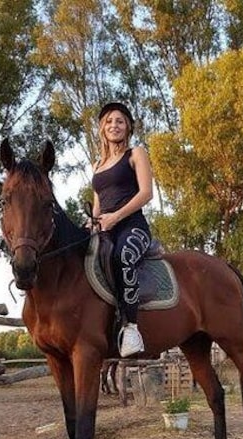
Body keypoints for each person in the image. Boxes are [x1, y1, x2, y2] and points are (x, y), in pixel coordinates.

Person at [91, 101, 153, 357]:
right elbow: (97, 205)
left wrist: (115, 217)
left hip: (133, 228)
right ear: (102, 129)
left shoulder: (136, 153)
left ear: (128, 127)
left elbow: (146, 193)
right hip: (105, 228)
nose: (114, 125)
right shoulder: (97, 166)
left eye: (119, 121)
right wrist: (92, 222)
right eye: (109, 122)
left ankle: (131, 329)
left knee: (121, 256)